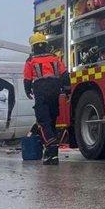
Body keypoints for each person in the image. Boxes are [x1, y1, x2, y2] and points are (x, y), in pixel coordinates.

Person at [23, 32, 69, 165]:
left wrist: (27, 91)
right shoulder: (55, 58)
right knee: (52, 121)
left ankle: (51, 148)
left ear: (33, 46)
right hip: (55, 93)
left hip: (41, 92)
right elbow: (65, 75)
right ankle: (52, 156)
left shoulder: (30, 61)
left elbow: (27, 79)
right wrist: (67, 90)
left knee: (43, 122)